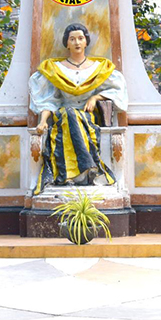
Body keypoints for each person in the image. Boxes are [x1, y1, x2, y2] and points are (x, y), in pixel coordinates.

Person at [29, 23, 127, 194]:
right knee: (68, 113)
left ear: (86, 41)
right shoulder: (55, 69)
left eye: (80, 38)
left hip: (88, 118)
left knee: (72, 114)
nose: (76, 42)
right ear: (66, 43)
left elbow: (116, 91)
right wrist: (43, 121)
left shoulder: (99, 68)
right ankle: (87, 167)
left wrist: (95, 97)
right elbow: (49, 101)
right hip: (63, 116)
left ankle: (73, 173)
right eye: (72, 39)